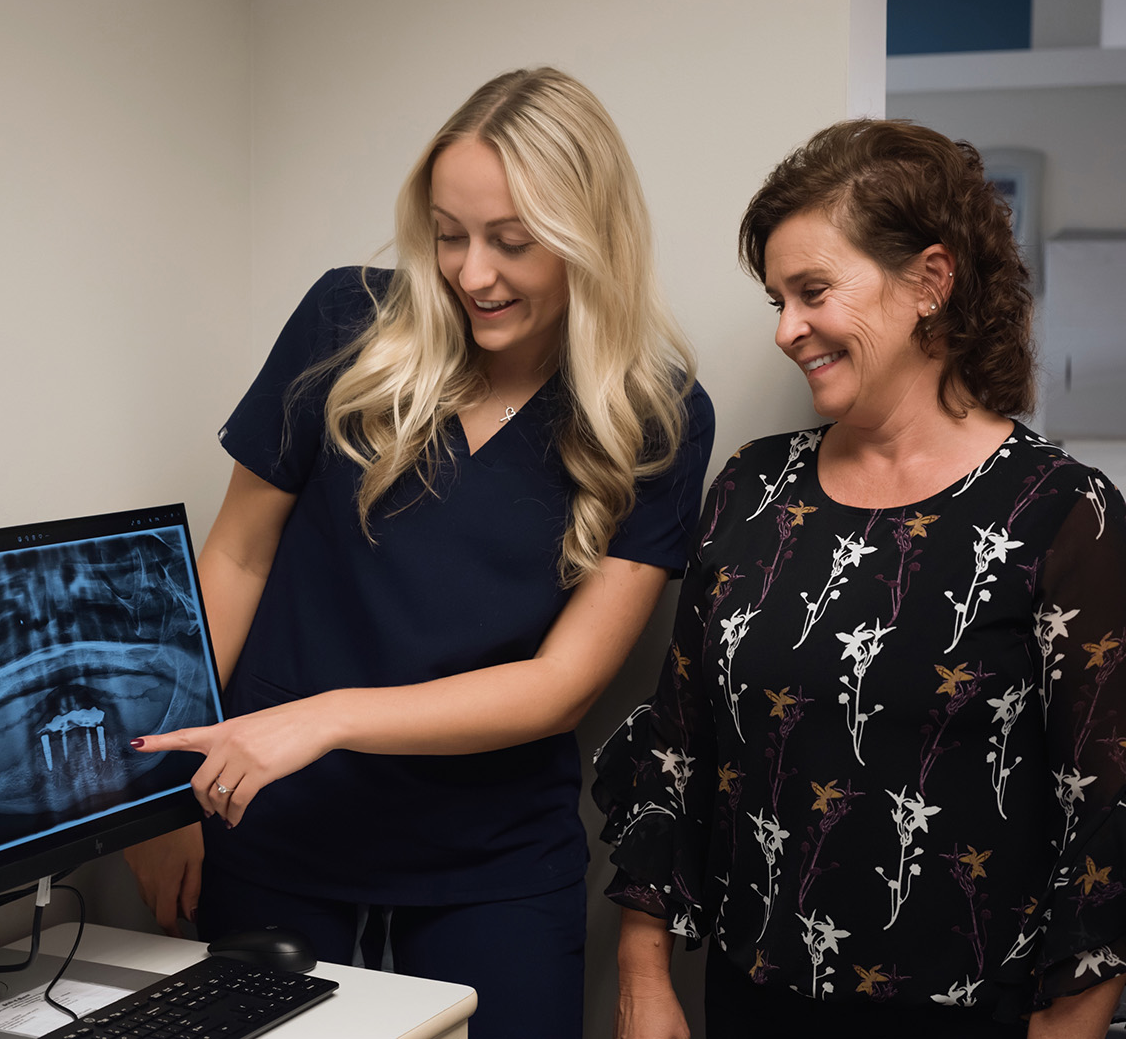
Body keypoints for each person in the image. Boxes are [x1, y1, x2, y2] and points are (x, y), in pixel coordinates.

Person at [122, 67, 715, 1039]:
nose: (472, 273)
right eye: (449, 233)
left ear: (588, 240)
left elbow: (562, 685)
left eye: (512, 243)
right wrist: (153, 804)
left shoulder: (658, 416)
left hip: (491, 864)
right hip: (274, 831)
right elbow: (233, 558)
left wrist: (326, 718)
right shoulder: (342, 323)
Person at [596, 119, 1126, 1039]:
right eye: (777, 300)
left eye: (814, 291)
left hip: (975, 1018)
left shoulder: (1065, 516)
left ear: (930, 283)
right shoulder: (752, 488)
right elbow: (678, 745)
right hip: (754, 1004)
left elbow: (1107, 832)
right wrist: (642, 975)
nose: (789, 329)